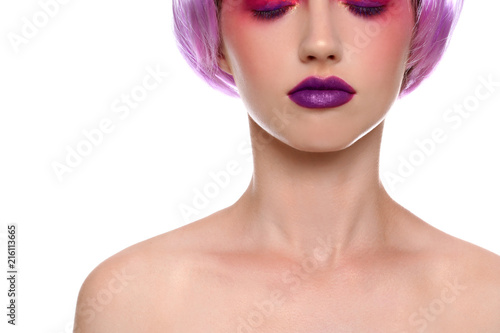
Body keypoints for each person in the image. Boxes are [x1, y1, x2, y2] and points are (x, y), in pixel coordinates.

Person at [74, 0, 500, 331]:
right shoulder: (133, 301)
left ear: (419, 27)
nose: (320, 44)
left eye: (366, 4)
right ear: (217, 38)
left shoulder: (487, 300)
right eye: (271, 5)